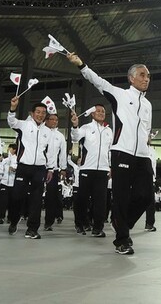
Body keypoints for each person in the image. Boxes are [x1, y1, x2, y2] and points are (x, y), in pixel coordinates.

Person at [64, 51, 153, 256]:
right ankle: (122, 239)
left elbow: (146, 130)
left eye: (148, 76)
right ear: (131, 78)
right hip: (121, 153)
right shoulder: (120, 95)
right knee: (121, 197)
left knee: (145, 195)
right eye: (142, 75)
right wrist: (80, 64)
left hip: (142, 155)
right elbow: (98, 81)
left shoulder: (148, 105)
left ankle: (120, 222)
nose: (146, 79)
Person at [5, 97, 56, 239]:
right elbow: (11, 122)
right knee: (17, 197)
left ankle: (32, 229)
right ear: (32, 113)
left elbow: (50, 151)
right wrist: (13, 108)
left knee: (37, 200)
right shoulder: (24, 125)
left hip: (39, 169)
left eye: (43, 112)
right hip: (23, 167)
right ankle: (14, 220)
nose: (40, 115)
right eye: (38, 112)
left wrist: (50, 169)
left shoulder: (48, 132)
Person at [69, 103, 113, 237]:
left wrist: (110, 166)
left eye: (103, 111)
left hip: (103, 170)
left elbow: (110, 150)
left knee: (100, 201)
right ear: (92, 114)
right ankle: (80, 223)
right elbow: (75, 138)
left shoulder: (108, 130)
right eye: (98, 111)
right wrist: (75, 125)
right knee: (83, 199)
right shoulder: (86, 128)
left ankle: (97, 228)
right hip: (87, 168)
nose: (101, 113)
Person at [44, 113, 68, 231]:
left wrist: (63, 168)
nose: (54, 122)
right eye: (52, 119)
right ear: (46, 120)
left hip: (53, 170)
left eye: (56, 120)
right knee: (36, 195)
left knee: (51, 197)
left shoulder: (60, 136)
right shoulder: (41, 132)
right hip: (39, 167)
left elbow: (63, 153)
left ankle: (49, 222)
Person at [144, 131, 158, 232]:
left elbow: (154, 166)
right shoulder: (139, 149)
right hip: (138, 179)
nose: (149, 138)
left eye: (150, 137)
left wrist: (154, 178)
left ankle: (149, 224)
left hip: (150, 179)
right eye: (148, 136)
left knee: (150, 203)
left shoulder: (153, 150)